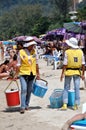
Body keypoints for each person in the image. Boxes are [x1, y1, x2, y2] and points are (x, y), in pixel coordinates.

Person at [16, 36, 40, 114]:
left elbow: (36, 63)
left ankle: (27, 105)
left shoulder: (34, 52)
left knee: (29, 90)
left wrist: (38, 73)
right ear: (28, 45)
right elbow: (18, 64)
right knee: (24, 90)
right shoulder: (21, 52)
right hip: (23, 73)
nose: (33, 46)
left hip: (32, 73)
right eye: (31, 45)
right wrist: (16, 74)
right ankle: (22, 107)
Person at [60, 37, 85, 110]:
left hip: (68, 71)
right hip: (77, 72)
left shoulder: (67, 52)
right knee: (77, 88)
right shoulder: (80, 52)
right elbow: (83, 64)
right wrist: (83, 74)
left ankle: (65, 104)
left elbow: (65, 64)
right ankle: (76, 104)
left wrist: (62, 74)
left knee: (66, 88)